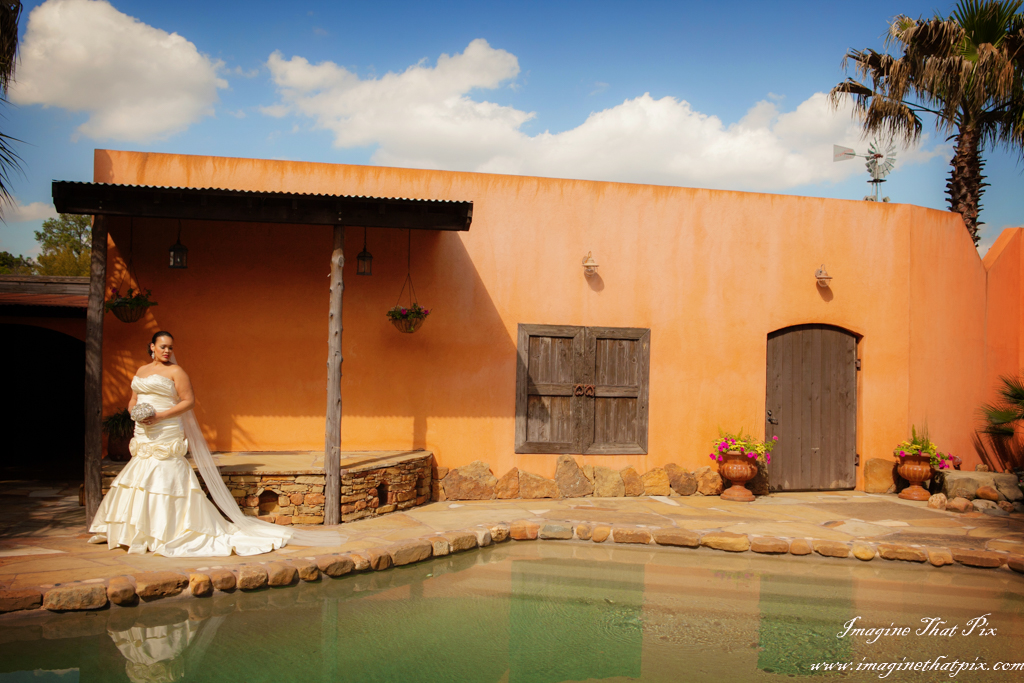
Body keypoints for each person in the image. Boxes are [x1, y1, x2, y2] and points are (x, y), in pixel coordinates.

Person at [88, 331, 292, 557]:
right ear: (152, 347)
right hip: (144, 429)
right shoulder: (141, 370)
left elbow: (189, 401)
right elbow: (134, 399)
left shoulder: (176, 372)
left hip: (165, 427)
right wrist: (134, 413)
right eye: (163, 346)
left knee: (164, 469)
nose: (167, 351)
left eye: (170, 347)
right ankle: (138, 530)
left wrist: (160, 416)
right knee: (141, 470)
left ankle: (169, 530)